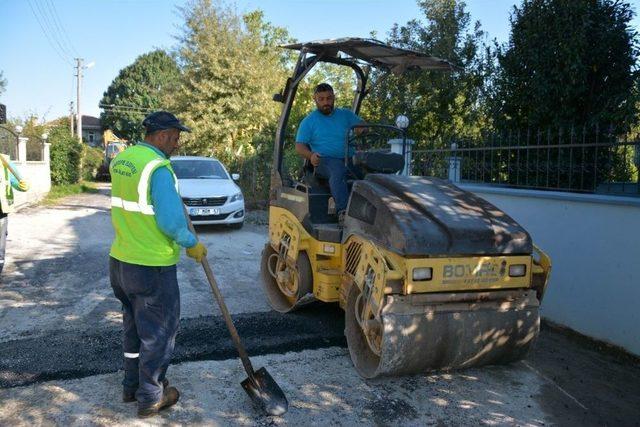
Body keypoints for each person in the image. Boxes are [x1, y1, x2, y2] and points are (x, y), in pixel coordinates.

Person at [109, 111, 208, 418]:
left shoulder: (124, 161)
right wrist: (192, 244)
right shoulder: (159, 169)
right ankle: (151, 395)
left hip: (120, 261)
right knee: (160, 332)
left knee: (134, 327)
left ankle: (131, 385)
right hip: (151, 265)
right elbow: (170, 222)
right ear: (162, 135)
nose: (177, 144)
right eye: (176, 138)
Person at [295, 83, 365, 221]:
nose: (326, 102)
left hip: (348, 159)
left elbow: (362, 125)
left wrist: (362, 129)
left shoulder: (345, 115)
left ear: (334, 97)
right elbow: (299, 146)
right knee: (337, 170)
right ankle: (343, 212)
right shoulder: (309, 121)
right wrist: (311, 155)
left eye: (329, 98)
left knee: (369, 171)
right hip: (324, 161)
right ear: (315, 99)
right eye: (321, 99)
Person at [0, 154, 29, 274]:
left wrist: (21, 186)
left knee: (0, 246)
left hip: (1, 211)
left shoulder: (4, 161)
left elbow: (14, 180)